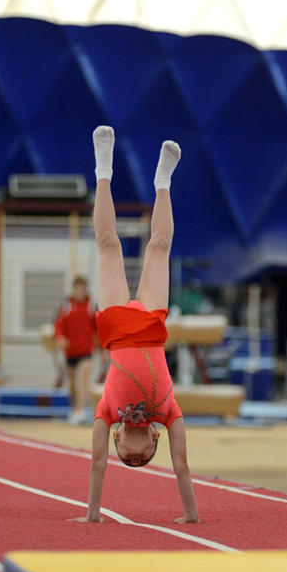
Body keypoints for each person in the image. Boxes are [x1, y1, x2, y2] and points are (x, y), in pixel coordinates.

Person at [77, 125, 199, 524]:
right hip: (150, 323)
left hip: (114, 326)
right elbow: (182, 468)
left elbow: (97, 466)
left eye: (125, 459)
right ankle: (163, 179)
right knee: (159, 247)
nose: (132, 459)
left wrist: (93, 516)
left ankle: (103, 169)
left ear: (115, 439)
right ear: (155, 440)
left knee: (109, 245)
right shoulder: (169, 413)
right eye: (142, 460)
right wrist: (191, 517)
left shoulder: (106, 412)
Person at [54, 275, 98, 424]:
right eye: (77, 289)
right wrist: (59, 337)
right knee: (72, 383)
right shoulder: (66, 305)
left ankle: (81, 410)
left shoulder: (91, 305)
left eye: (82, 289)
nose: (80, 292)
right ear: (74, 290)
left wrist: (103, 349)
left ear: (85, 290)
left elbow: (97, 327)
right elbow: (58, 324)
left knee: (83, 379)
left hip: (86, 351)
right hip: (70, 351)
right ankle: (75, 409)